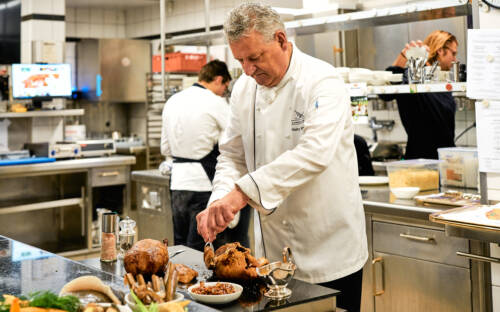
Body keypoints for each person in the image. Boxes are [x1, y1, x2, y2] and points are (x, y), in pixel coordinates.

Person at [196, 3, 368, 311]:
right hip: (272, 257)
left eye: (254, 57)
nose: (247, 70)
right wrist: (221, 201)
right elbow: (233, 155)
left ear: (280, 39)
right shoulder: (244, 90)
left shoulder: (322, 81)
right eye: (239, 60)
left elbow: (315, 153)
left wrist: (241, 193)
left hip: (329, 252)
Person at [160, 60, 250, 251]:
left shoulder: (173, 101)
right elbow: (236, 138)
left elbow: (166, 148)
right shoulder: (216, 102)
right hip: (204, 184)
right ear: (218, 80)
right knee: (206, 248)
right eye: (225, 86)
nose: (224, 92)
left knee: (181, 248)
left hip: (178, 183)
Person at [384, 30, 458, 159]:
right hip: (420, 162)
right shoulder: (415, 75)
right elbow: (385, 94)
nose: (455, 59)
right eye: (453, 53)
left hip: (446, 160)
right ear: (441, 50)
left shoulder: (441, 80)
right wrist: (402, 58)